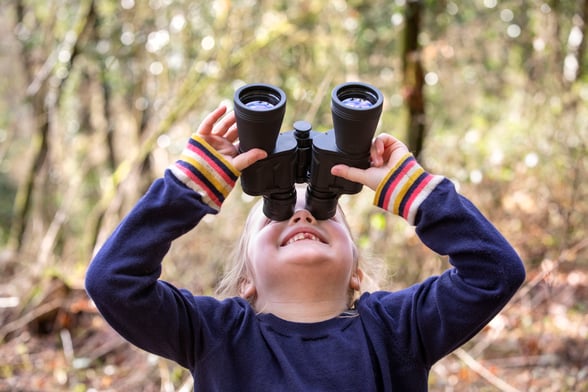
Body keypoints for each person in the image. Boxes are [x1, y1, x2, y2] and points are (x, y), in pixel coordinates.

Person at [85, 104, 526, 391]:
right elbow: (112, 281)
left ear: (356, 270)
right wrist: (190, 186)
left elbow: (495, 272)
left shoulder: (396, 329)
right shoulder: (215, 333)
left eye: (325, 213)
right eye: (275, 215)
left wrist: (413, 190)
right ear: (246, 281)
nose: (303, 215)